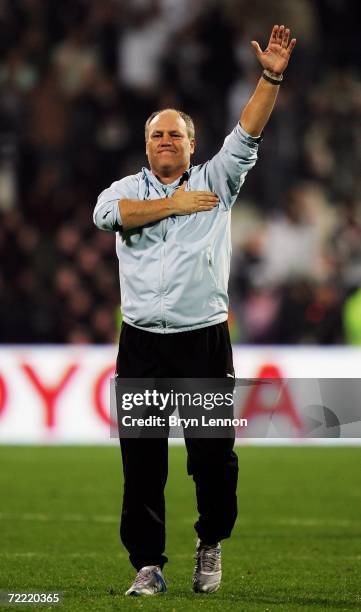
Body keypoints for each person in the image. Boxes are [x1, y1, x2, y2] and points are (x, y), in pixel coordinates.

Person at [93, 25, 296, 596]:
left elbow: (249, 130)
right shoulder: (120, 192)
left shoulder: (218, 181)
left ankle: (210, 544)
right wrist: (176, 204)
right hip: (141, 345)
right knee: (142, 465)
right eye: (156, 133)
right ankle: (148, 565)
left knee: (212, 459)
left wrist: (271, 76)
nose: (164, 140)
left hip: (203, 341)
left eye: (174, 134)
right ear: (146, 144)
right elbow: (108, 219)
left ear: (190, 143)